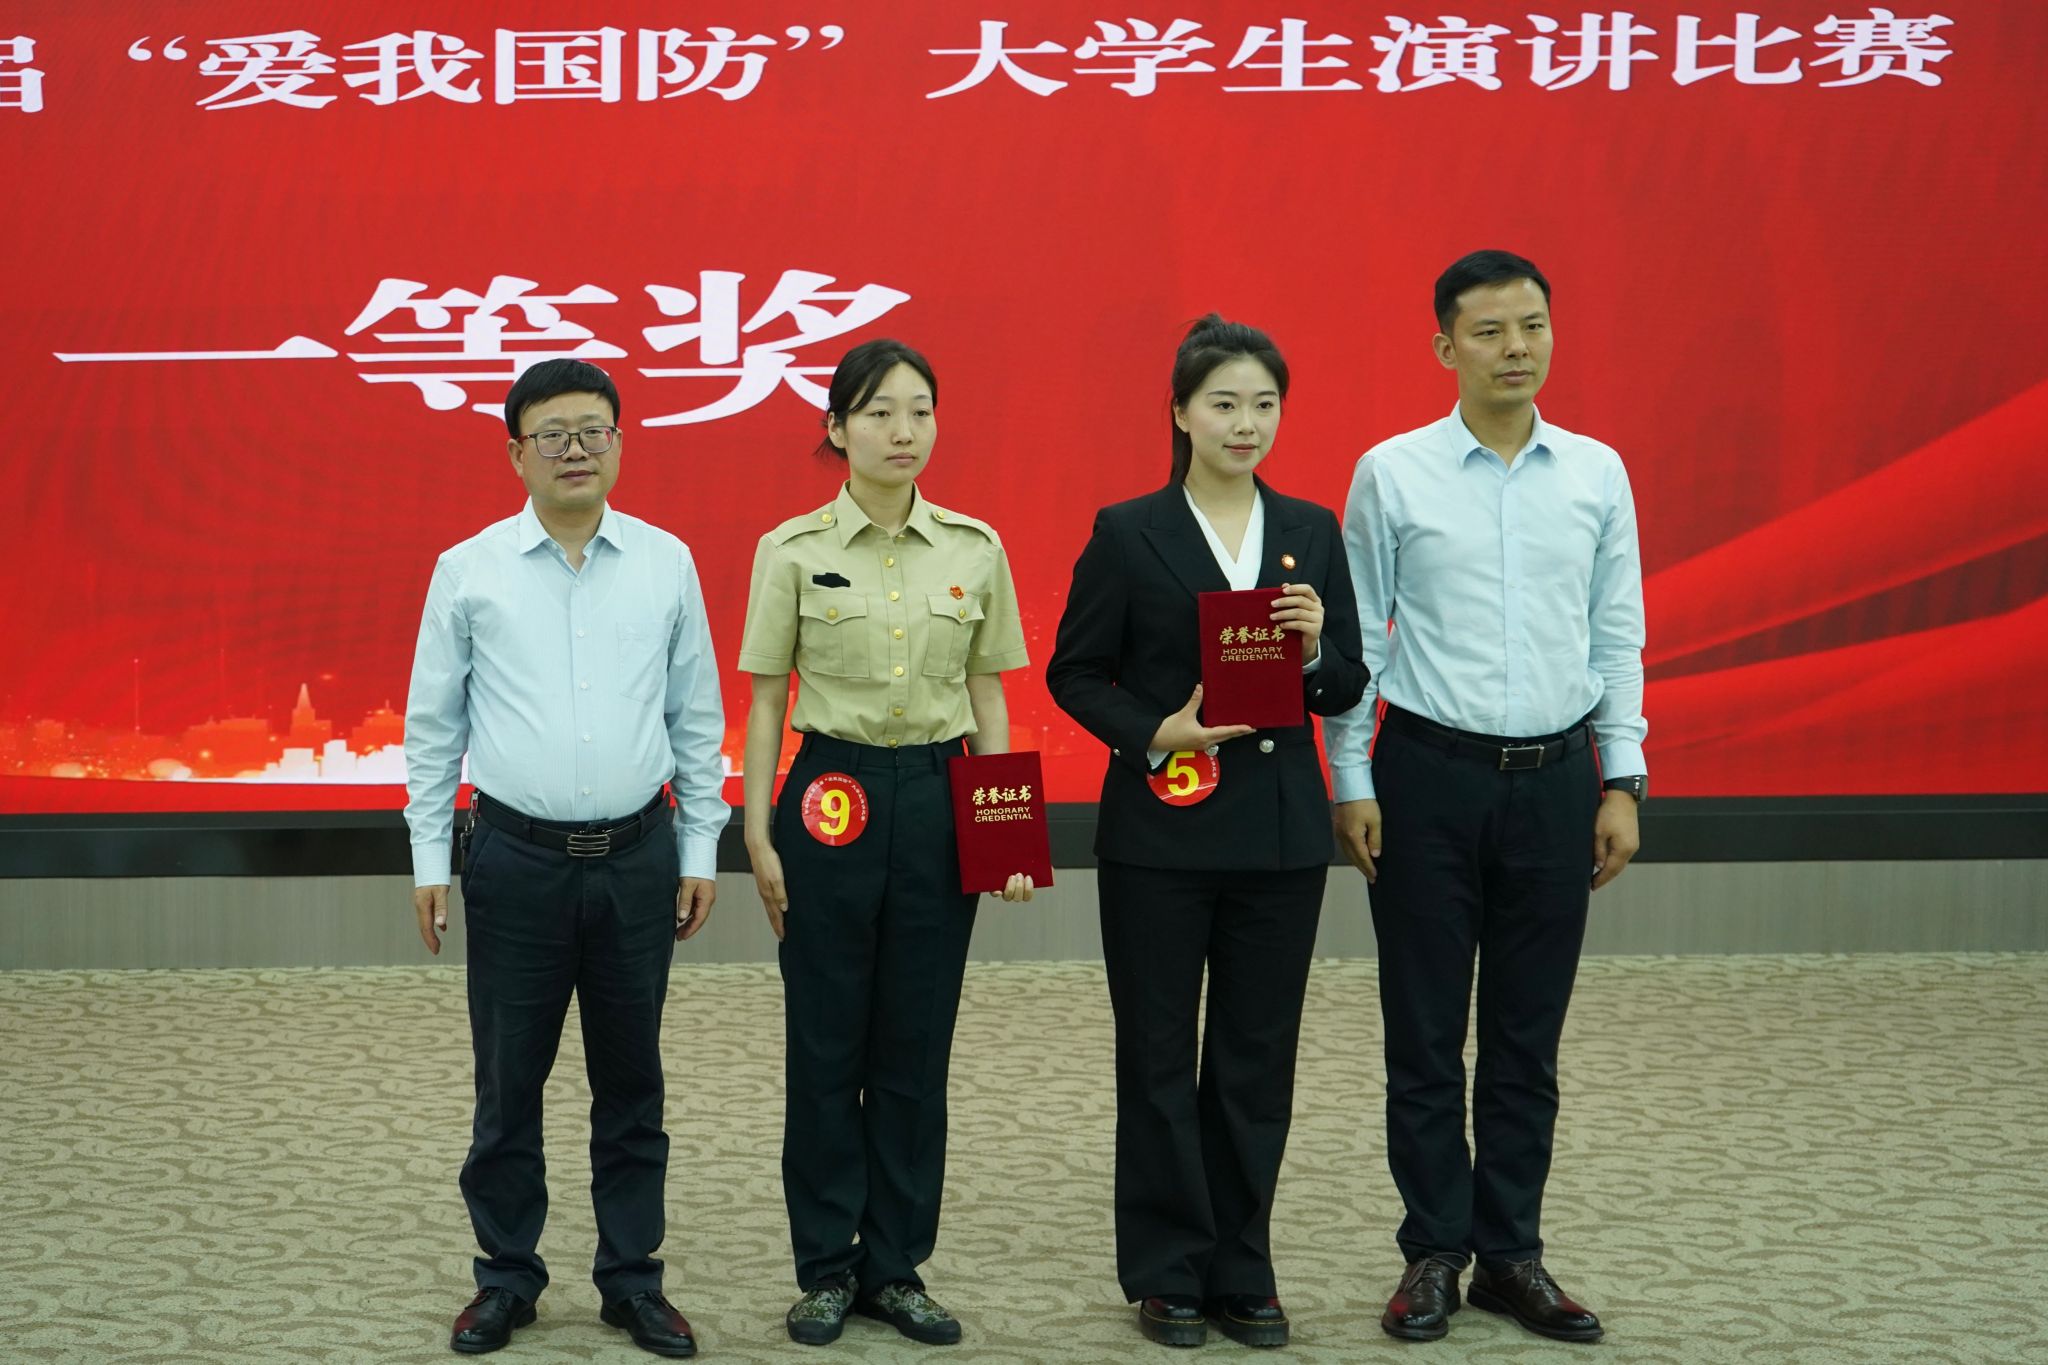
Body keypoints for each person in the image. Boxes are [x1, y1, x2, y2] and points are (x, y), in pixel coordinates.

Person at [1325, 250, 1647, 1345]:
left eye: (1533, 326)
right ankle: (1432, 1251)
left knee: (1525, 1035)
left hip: (1556, 783)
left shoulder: (1596, 472)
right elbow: (1360, 642)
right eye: (1490, 331)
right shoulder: (1393, 472)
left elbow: (1615, 634)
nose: (1517, 348)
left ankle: (1512, 1255)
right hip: (1425, 778)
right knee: (1423, 1034)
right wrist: (1352, 779)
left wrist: (1620, 778)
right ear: (1444, 346)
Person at [1046, 315, 1369, 1350]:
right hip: (1160, 836)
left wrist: (1313, 651)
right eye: (1223, 403)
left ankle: (1242, 1265)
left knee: (1253, 1057)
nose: (1245, 423)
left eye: (1264, 404)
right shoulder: (1127, 530)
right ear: (1181, 412)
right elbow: (1073, 673)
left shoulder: (1311, 528)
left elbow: (1344, 682)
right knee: (1155, 1053)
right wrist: (1155, 732)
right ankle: (1166, 1268)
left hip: (1278, 839)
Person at [403, 357, 726, 1359]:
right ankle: (506, 1277)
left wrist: (700, 846)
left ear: (618, 443)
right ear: (517, 453)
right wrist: (428, 862)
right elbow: (432, 729)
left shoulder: (667, 562)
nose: (575, 448)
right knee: (509, 1083)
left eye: (593, 430)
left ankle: (632, 1281)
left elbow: (695, 717)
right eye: (552, 433)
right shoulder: (469, 569)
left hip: (638, 856)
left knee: (633, 1084)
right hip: (516, 860)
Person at [736, 338, 1035, 1348]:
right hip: (832, 797)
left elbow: (988, 693)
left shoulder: (974, 548)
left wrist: (1004, 833)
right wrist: (758, 830)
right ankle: (826, 1267)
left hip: (940, 796)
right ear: (836, 428)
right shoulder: (789, 550)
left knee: (915, 1044)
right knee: (826, 1043)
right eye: (877, 413)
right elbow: (767, 699)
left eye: (919, 411)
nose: (902, 431)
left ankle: (897, 1268)